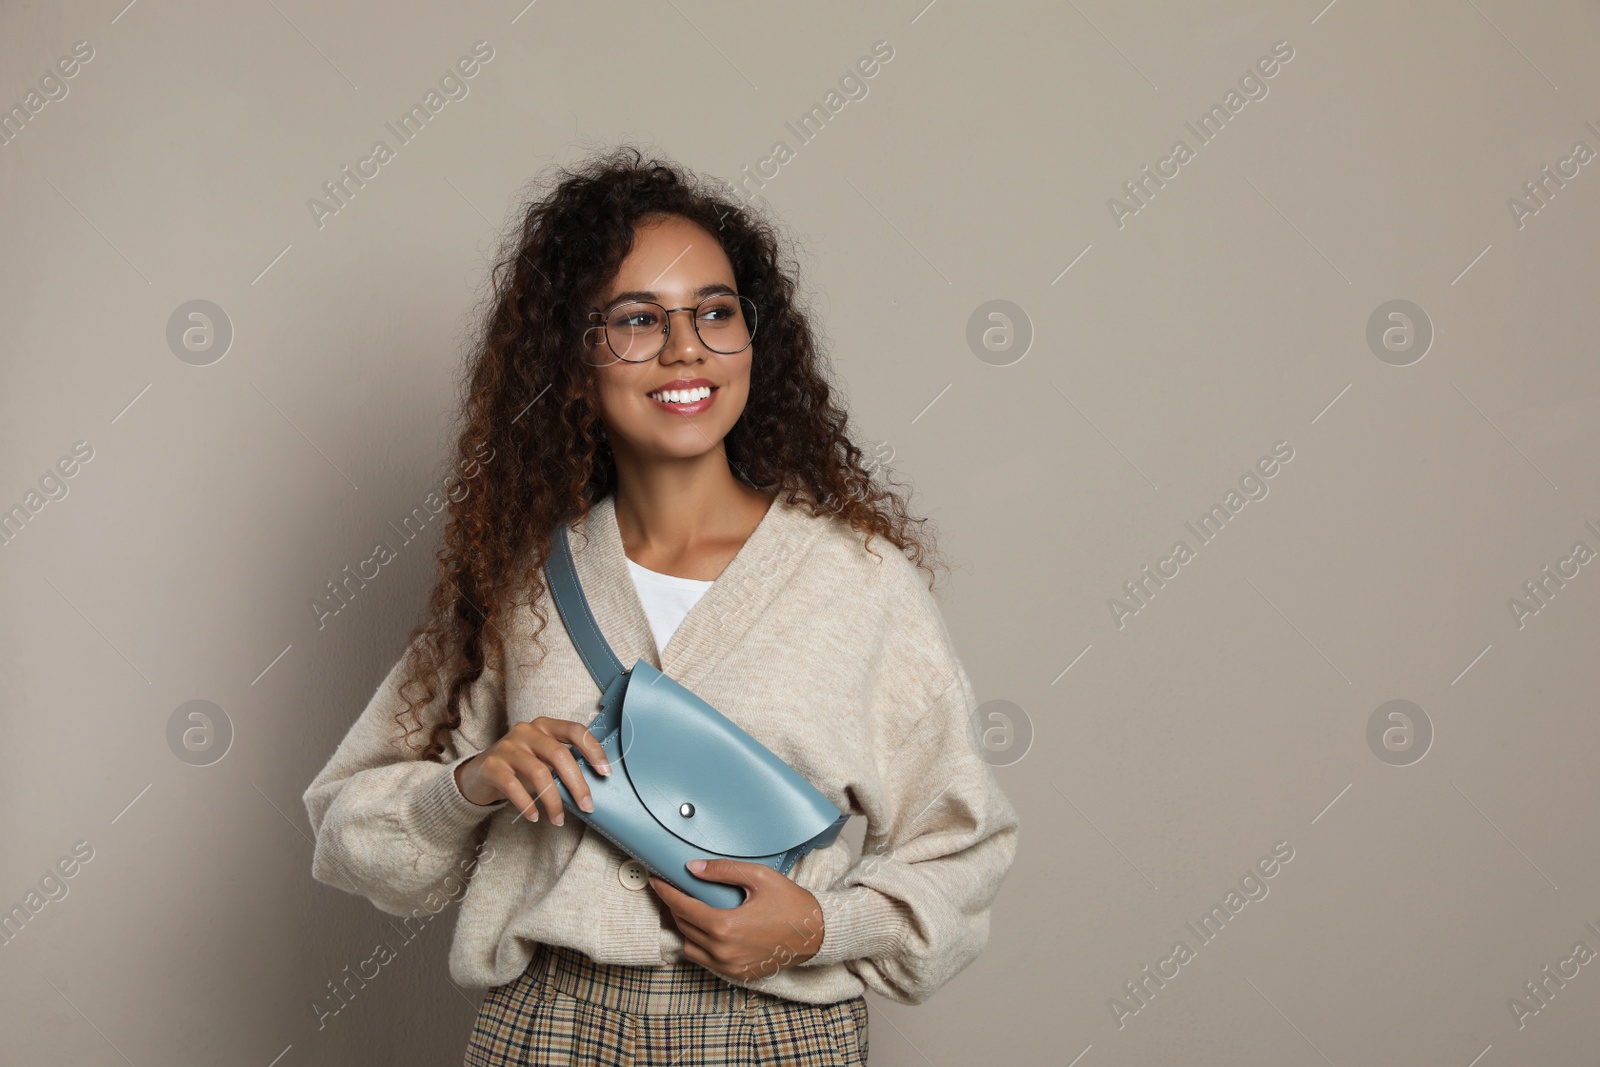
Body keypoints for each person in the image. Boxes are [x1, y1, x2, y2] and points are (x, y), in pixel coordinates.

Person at [301, 146, 1021, 1066]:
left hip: (780, 1031)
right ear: (571, 357)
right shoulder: (517, 581)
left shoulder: (860, 583)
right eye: (638, 319)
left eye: (715, 312)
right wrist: (471, 782)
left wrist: (817, 927)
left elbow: (966, 850)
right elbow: (352, 830)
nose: (686, 349)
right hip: (550, 1027)